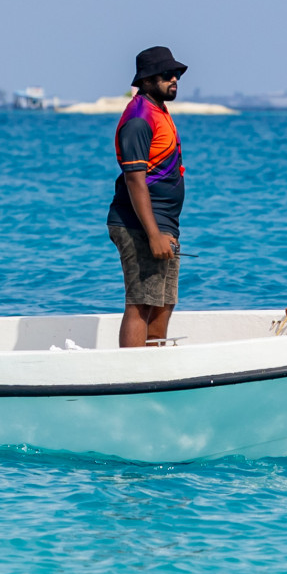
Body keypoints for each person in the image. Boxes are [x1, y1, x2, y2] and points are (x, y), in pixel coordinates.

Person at [107, 46, 187, 349]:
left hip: (164, 224)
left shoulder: (157, 109)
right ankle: (132, 374)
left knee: (164, 301)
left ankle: (155, 367)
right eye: (166, 74)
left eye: (176, 74)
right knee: (141, 301)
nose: (174, 79)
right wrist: (153, 234)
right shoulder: (139, 118)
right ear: (147, 79)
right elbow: (134, 179)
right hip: (138, 225)